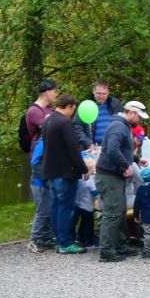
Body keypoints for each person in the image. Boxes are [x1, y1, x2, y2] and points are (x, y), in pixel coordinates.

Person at [94, 100, 150, 262]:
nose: (140, 120)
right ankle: (106, 251)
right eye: (139, 117)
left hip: (114, 176)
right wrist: (126, 166)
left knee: (120, 211)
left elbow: (123, 149)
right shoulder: (119, 126)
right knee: (112, 213)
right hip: (109, 176)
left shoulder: (123, 125)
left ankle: (119, 245)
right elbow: (112, 150)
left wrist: (136, 160)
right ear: (131, 113)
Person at [41, 94, 90, 254]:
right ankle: (66, 242)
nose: (73, 113)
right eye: (73, 109)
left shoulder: (47, 120)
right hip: (65, 172)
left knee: (56, 206)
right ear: (68, 107)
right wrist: (84, 169)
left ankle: (58, 239)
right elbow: (73, 149)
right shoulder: (65, 123)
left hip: (51, 171)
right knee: (66, 208)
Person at [24, 79, 59, 252]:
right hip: (40, 160)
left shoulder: (50, 110)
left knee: (51, 200)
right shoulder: (34, 111)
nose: (56, 94)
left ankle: (46, 236)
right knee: (44, 203)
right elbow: (50, 128)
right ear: (46, 92)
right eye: (54, 91)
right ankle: (35, 239)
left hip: (51, 159)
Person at [74, 80, 122, 148]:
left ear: (108, 92)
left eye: (104, 94)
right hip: (93, 147)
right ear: (93, 91)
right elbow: (77, 127)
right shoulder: (86, 106)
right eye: (98, 93)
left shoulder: (115, 104)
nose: (101, 96)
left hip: (113, 146)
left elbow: (122, 124)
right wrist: (87, 143)